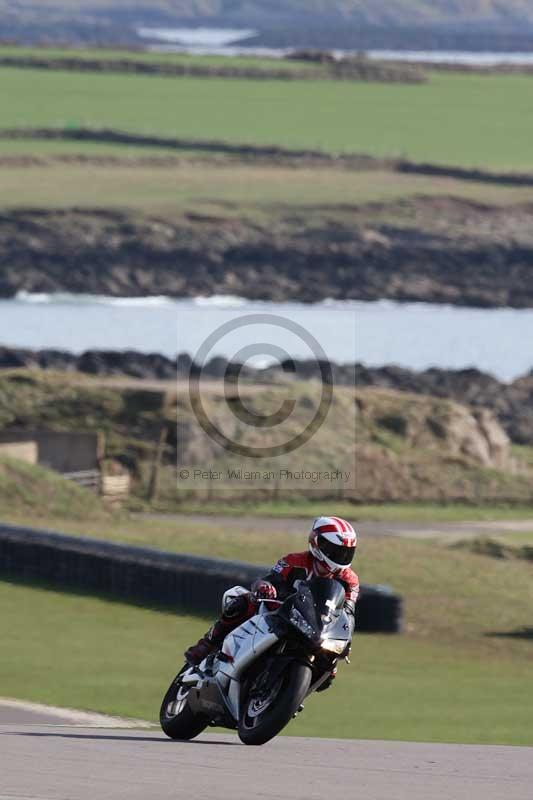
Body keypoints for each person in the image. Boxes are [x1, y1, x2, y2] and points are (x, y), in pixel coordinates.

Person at [184, 516, 359, 687]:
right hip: (280, 613)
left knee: (329, 668)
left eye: (346, 552)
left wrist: (346, 640)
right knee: (242, 602)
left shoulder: (350, 580)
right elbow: (268, 580)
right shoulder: (293, 561)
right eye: (336, 551)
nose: (342, 556)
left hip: (317, 628)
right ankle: (207, 644)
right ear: (318, 543)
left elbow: (348, 612)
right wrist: (265, 587)